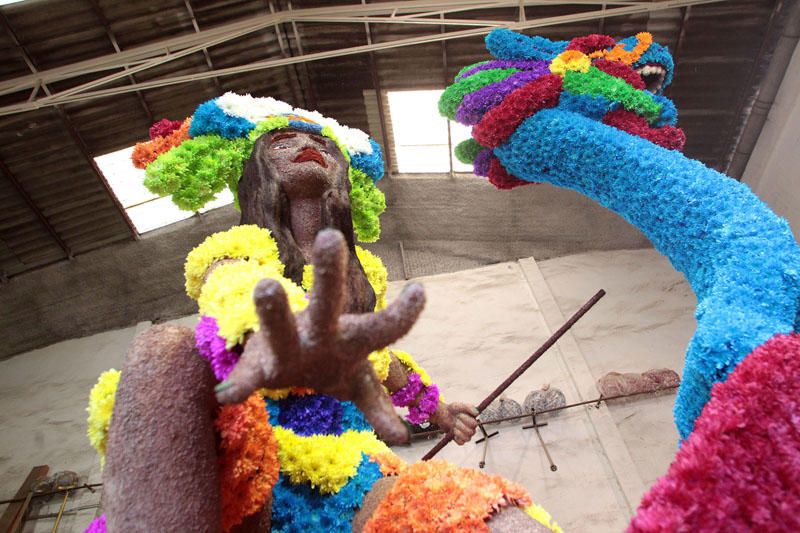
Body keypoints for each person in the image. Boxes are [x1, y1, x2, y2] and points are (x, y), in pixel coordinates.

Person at [87, 93, 561, 532]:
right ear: (256, 170)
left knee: (485, 513)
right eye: (283, 141)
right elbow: (248, 314)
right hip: (256, 451)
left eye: (321, 143)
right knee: (164, 350)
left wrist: (435, 408)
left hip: (353, 463)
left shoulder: (364, 272)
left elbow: (377, 358)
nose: (307, 147)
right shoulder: (237, 251)